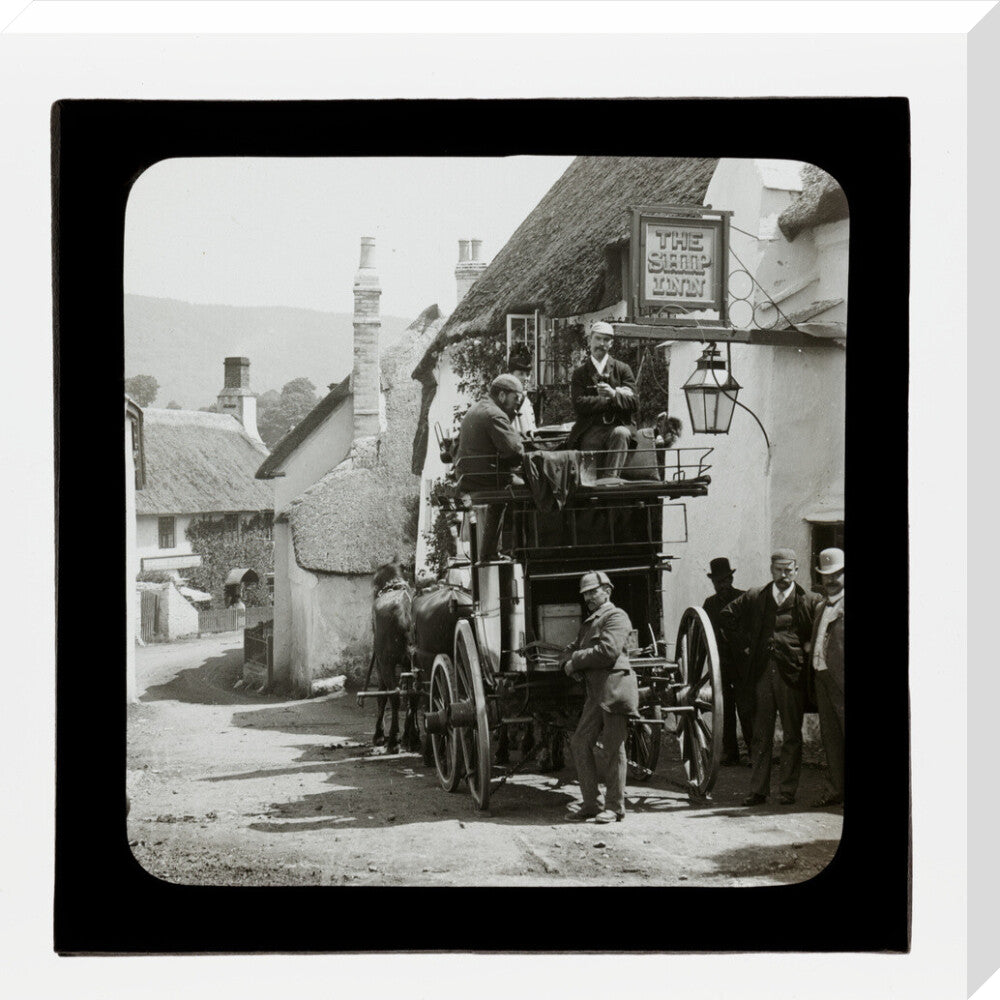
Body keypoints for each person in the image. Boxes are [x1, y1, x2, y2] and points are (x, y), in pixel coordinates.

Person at [720, 549, 821, 806]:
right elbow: (726, 616)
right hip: (762, 673)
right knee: (760, 734)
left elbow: (818, 630)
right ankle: (758, 790)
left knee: (791, 734)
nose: (784, 575)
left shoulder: (808, 600)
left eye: (789, 570)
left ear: (796, 571)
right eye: (779, 569)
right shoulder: (756, 596)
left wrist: (806, 649)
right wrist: (747, 645)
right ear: (771, 570)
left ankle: (787, 791)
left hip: (792, 675)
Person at [559, 571, 640, 824]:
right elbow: (574, 647)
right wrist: (567, 659)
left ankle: (615, 808)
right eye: (585, 594)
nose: (589, 598)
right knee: (580, 742)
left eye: (593, 592)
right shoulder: (592, 620)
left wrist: (575, 661)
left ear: (607, 590)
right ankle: (592, 804)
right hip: (597, 693)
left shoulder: (616, 616)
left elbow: (608, 651)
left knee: (614, 749)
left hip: (615, 689)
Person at [453, 373, 525, 562]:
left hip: (471, 475)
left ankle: (489, 552)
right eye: (515, 399)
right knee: (532, 488)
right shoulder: (494, 414)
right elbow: (515, 452)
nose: (517, 405)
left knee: (504, 496)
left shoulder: (478, 408)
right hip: (485, 477)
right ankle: (521, 551)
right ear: (502, 395)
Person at [564, 321, 638, 478]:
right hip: (591, 428)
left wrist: (612, 394)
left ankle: (610, 480)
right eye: (597, 339)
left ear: (611, 343)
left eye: (606, 340)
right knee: (588, 451)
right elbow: (579, 404)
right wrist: (613, 399)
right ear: (590, 340)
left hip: (617, 426)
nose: (601, 344)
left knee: (622, 433)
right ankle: (588, 486)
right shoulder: (580, 373)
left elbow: (634, 403)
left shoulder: (623, 369)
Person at [702, 557, 752, 766]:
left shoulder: (744, 599)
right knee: (724, 710)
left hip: (742, 665)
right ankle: (730, 752)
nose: (721, 585)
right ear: (713, 582)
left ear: (731, 578)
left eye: (724, 580)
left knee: (747, 708)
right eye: (717, 582)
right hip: (720, 666)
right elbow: (704, 635)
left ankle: (753, 751)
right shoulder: (709, 604)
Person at [810, 547, 845, 808]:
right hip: (822, 679)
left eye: (837, 575)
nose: (831, 581)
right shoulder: (821, 606)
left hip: (842, 681)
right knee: (830, 738)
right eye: (826, 576)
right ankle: (835, 790)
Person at [507, 347, 537, 434]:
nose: (526, 378)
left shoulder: (525, 399)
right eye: (521, 374)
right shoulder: (508, 399)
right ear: (510, 374)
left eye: (528, 374)